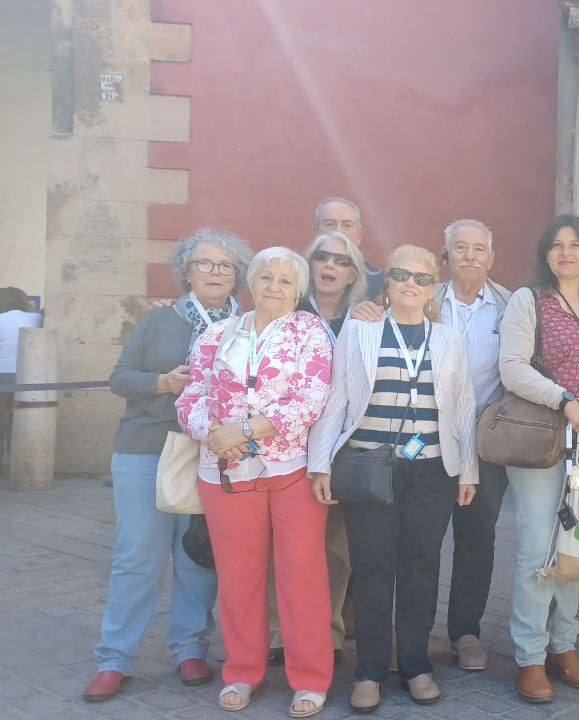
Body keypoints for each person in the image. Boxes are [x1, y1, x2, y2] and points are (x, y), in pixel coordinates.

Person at [81, 229, 251, 702]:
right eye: (204, 264)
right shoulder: (158, 320)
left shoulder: (249, 326)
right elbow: (119, 378)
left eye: (225, 265)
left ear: (237, 275)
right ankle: (115, 658)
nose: (215, 272)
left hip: (211, 454)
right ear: (186, 272)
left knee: (197, 556)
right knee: (138, 555)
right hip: (147, 450)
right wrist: (161, 383)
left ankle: (190, 648)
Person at [308, 244, 478, 711]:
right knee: (373, 567)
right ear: (388, 280)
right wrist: (320, 463)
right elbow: (337, 398)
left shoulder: (448, 339)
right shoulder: (360, 330)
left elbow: (463, 407)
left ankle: (416, 665)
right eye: (402, 274)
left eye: (422, 278)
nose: (411, 284)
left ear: (433, 287)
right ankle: (369, 670)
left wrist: (468, 469)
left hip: (432, 471)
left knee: (422, 564)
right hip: (369, 466)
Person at [176, 246, 333, 717]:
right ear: (252, 282)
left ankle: (310, 677)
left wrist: (244, 430)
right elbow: (190, 397)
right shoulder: (217, 334)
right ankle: (242, 671)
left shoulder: (310, 332)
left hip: (290, 471)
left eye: (285, 281)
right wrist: (215, 434)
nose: (274, 287)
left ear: (298, 289)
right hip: (225, 472)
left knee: (301, 575)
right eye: (266, 277)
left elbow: (312, 397)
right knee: (239, 578)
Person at [498, 215, 579, 703]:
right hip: (546, 429)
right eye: (557, 245)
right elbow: (511, 368)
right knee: (537, 546)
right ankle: (530, 655)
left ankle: (563, 646)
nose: (566, 252)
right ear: (546, 254)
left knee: (576, 539)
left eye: (576, 245)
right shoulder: (528, 300)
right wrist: (563, 399)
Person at [267, 230, 369, 667]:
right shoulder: (285, 313)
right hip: (286, 446)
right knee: (285, 547)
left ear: (353, 274)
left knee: (335, 550)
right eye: (322, 257)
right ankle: (279, 634)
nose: (330, 266)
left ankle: (328, 634)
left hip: (341, 448)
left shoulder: (364, 320)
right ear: (308, 266)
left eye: (342, 261)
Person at [434, 219, 512, 671]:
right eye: (460, 248)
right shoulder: (424, 300)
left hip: (484, 440)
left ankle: (465, 632)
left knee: (477, 538)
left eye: (478, 249)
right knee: (420, 539)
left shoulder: (509, 306)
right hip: (428, 439)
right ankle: (411, 631)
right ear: (445, 256)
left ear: (491, 257)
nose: (469, 256)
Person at [0, 287, 42, 459]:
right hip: (28, 374)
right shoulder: (36, 319)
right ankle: (16, 458)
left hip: (2, 372)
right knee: (20, 418)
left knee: (1, 417)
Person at [314, 196, 383, 297]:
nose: (338, 231)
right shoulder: (297, 276)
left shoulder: (378, 284)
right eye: (329, 224)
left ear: (359, 236)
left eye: (347, 225)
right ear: (316, 232)